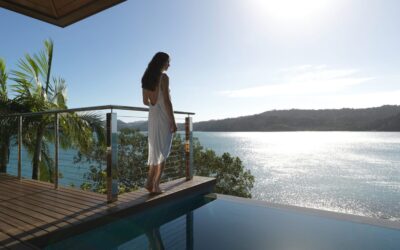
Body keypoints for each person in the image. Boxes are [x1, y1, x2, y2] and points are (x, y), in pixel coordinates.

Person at [142, 52, 177, 194]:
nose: (169, 65)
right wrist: (173, 121)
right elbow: (167, 101)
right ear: (162, 63)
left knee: (155, 149)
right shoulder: (163, 77)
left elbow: (145, 102)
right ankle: (156, 185)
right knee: (163, 151)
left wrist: (154, 101)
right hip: (163, 117)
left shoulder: (146, 79)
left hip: (153, 117)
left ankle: (149, 183)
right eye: (168, 62)